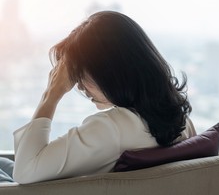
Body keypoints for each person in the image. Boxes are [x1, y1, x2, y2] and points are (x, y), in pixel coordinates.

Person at [1, 11, 196, 184]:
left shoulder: (112, 128)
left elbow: (25, 171)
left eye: (81, 75)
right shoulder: (182, 121)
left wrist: (51, 95)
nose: (80, 86)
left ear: (109, 72)